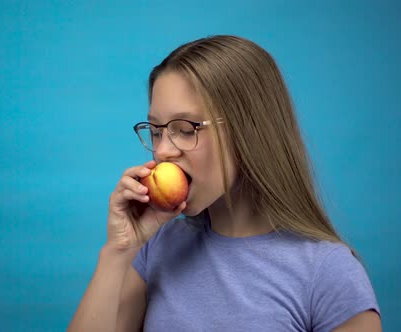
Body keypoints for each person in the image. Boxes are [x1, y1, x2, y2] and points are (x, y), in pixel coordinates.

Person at [68, 35, 381, 331]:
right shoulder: (157, 247)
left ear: (250, 132)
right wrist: (118, 250)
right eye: (156, 130)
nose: (163, 150)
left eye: (186, 129)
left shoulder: (327, 272)